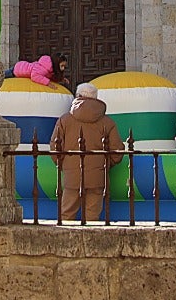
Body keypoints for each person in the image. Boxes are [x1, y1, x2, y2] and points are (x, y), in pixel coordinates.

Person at [48, 83, 124, 221]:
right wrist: (104, 164)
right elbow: (117, 152)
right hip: (97, 175)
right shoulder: (107, 122)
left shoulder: (65, 120)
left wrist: (64, 164)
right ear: (95, 98)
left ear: (78, 96)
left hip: (72, 175)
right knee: (92, 217)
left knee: (66, 216)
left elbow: (55, 146)